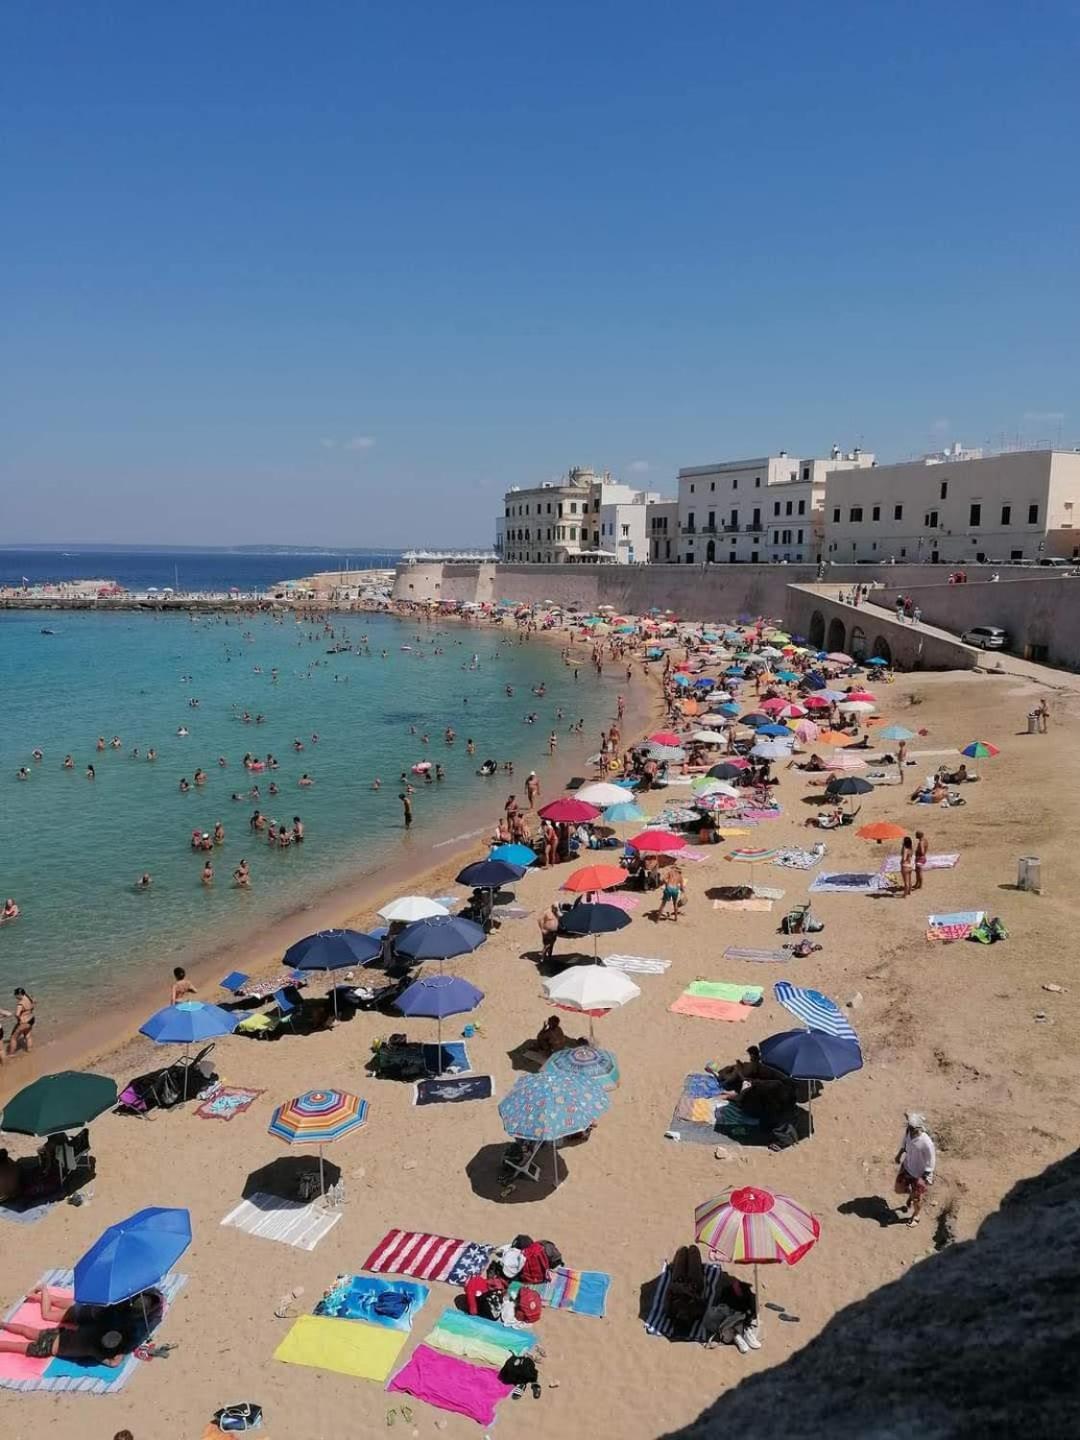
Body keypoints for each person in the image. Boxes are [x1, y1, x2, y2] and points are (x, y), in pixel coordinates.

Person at [894, 1111, 936, 1225]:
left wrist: (925, 1176)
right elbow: (904, 1144)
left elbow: (931, 1160)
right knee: (898, 1189)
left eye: (912, 1127)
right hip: (907, 1166)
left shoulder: (926, 1142)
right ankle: (911, 1195)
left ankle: (916, 1216)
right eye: (909, 1126)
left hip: (919, 1174)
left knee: (917, 1199)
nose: (910, 1129)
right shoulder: (908, 1132)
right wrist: (899, 1155)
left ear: (919, 1127)